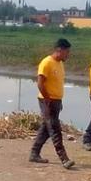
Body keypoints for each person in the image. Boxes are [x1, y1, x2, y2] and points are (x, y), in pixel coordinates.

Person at [30, 38, 75, 170]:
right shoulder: (46, 63)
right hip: (46, 100)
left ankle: (34, 153)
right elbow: (40, 83)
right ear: (59, 50)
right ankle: (64, 159)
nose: (68, 55)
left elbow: (57, 84)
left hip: (56, 101)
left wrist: (58, 101)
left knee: (46, 128)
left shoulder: (60, 64)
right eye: (67, 52)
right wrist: (48, 99)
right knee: (55, 129)